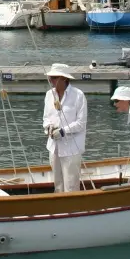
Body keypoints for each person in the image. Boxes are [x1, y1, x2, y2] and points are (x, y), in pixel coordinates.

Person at [42, 63, 87, 193]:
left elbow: (81, 123)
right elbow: (46, 118)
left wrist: (63, 131)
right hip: (53, 147)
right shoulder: (49, 95)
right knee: (58, 185)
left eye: (54, 77)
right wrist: (48, 128)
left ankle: (74, 210)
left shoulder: (78, 95)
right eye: (50, 77)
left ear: (64, 79)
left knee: (71, 185)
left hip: (71, 149)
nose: (51, 80)